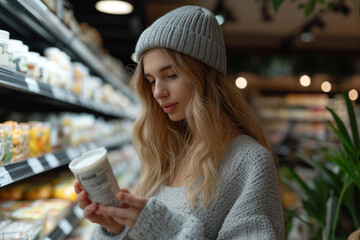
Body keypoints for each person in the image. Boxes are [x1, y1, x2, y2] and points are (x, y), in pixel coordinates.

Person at [74, 5, 284, 240]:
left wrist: (162, 227)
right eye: (151, 80)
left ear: (204, 75)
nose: (158, 92)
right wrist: (116, 228)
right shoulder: (169, 151)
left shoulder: (249, 161)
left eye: (171, 75)